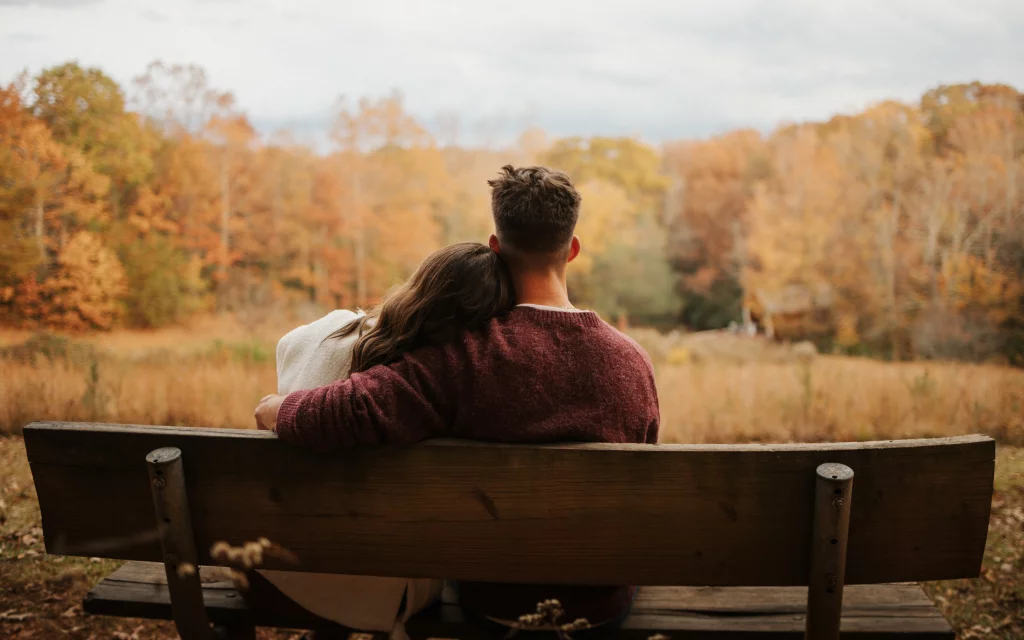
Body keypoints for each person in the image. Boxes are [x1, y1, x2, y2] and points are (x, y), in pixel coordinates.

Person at [255, 165, 661, 635]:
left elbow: (348, 411)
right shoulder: (634, 363)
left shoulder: (462, 356)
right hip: (602, 608)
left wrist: (275, 408)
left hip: (492, 603)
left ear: (495, 247)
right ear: (572, 250)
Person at [252, 242, 515, 639]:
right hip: (381, 591)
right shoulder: (429, 380)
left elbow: (286, 349)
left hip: (279, 570)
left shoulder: (332, 328)